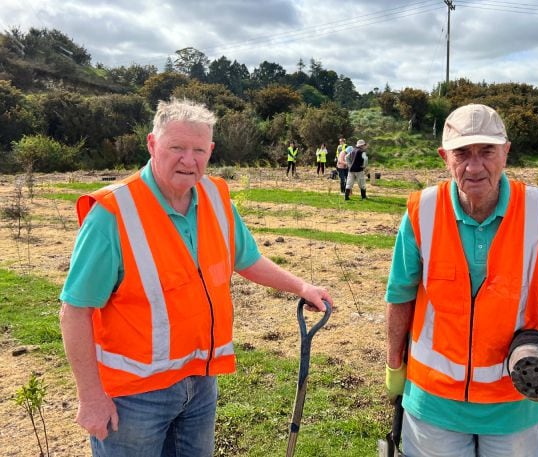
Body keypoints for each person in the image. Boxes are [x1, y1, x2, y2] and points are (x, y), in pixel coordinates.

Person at [59, 98, 333, 457]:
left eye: (198, 150)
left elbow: (247, 259)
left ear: (211, 151)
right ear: (152, 145)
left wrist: (301, 286)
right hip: (134, 397)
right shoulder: (113, 213)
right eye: (176, 148)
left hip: (201, 383)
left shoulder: (216, 197)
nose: (189, 161)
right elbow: (75, 311)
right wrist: (91, 398)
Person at [385, 104, 538, 457]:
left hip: (515, 402)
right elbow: (400, 294)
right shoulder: (423, 212)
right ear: (444, 157)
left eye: (487, 151)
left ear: (506, 152)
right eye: (462, 153)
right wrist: (394, 364)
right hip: (434, 403)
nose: (474, 166)